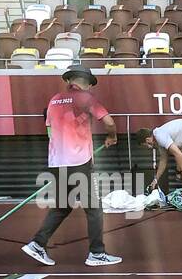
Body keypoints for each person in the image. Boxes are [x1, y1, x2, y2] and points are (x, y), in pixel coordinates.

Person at [22, 66, 121, 267]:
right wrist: (112, 136)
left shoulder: (54, 100)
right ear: (85, 82)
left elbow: (49, 129)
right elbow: (109, 122)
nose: (91, 89)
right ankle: (97, 253)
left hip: (57, 162)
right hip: (78, 162)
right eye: (90, 85)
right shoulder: (85, 98)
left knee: (62, 206)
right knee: (94, 209)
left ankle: (37, 244)